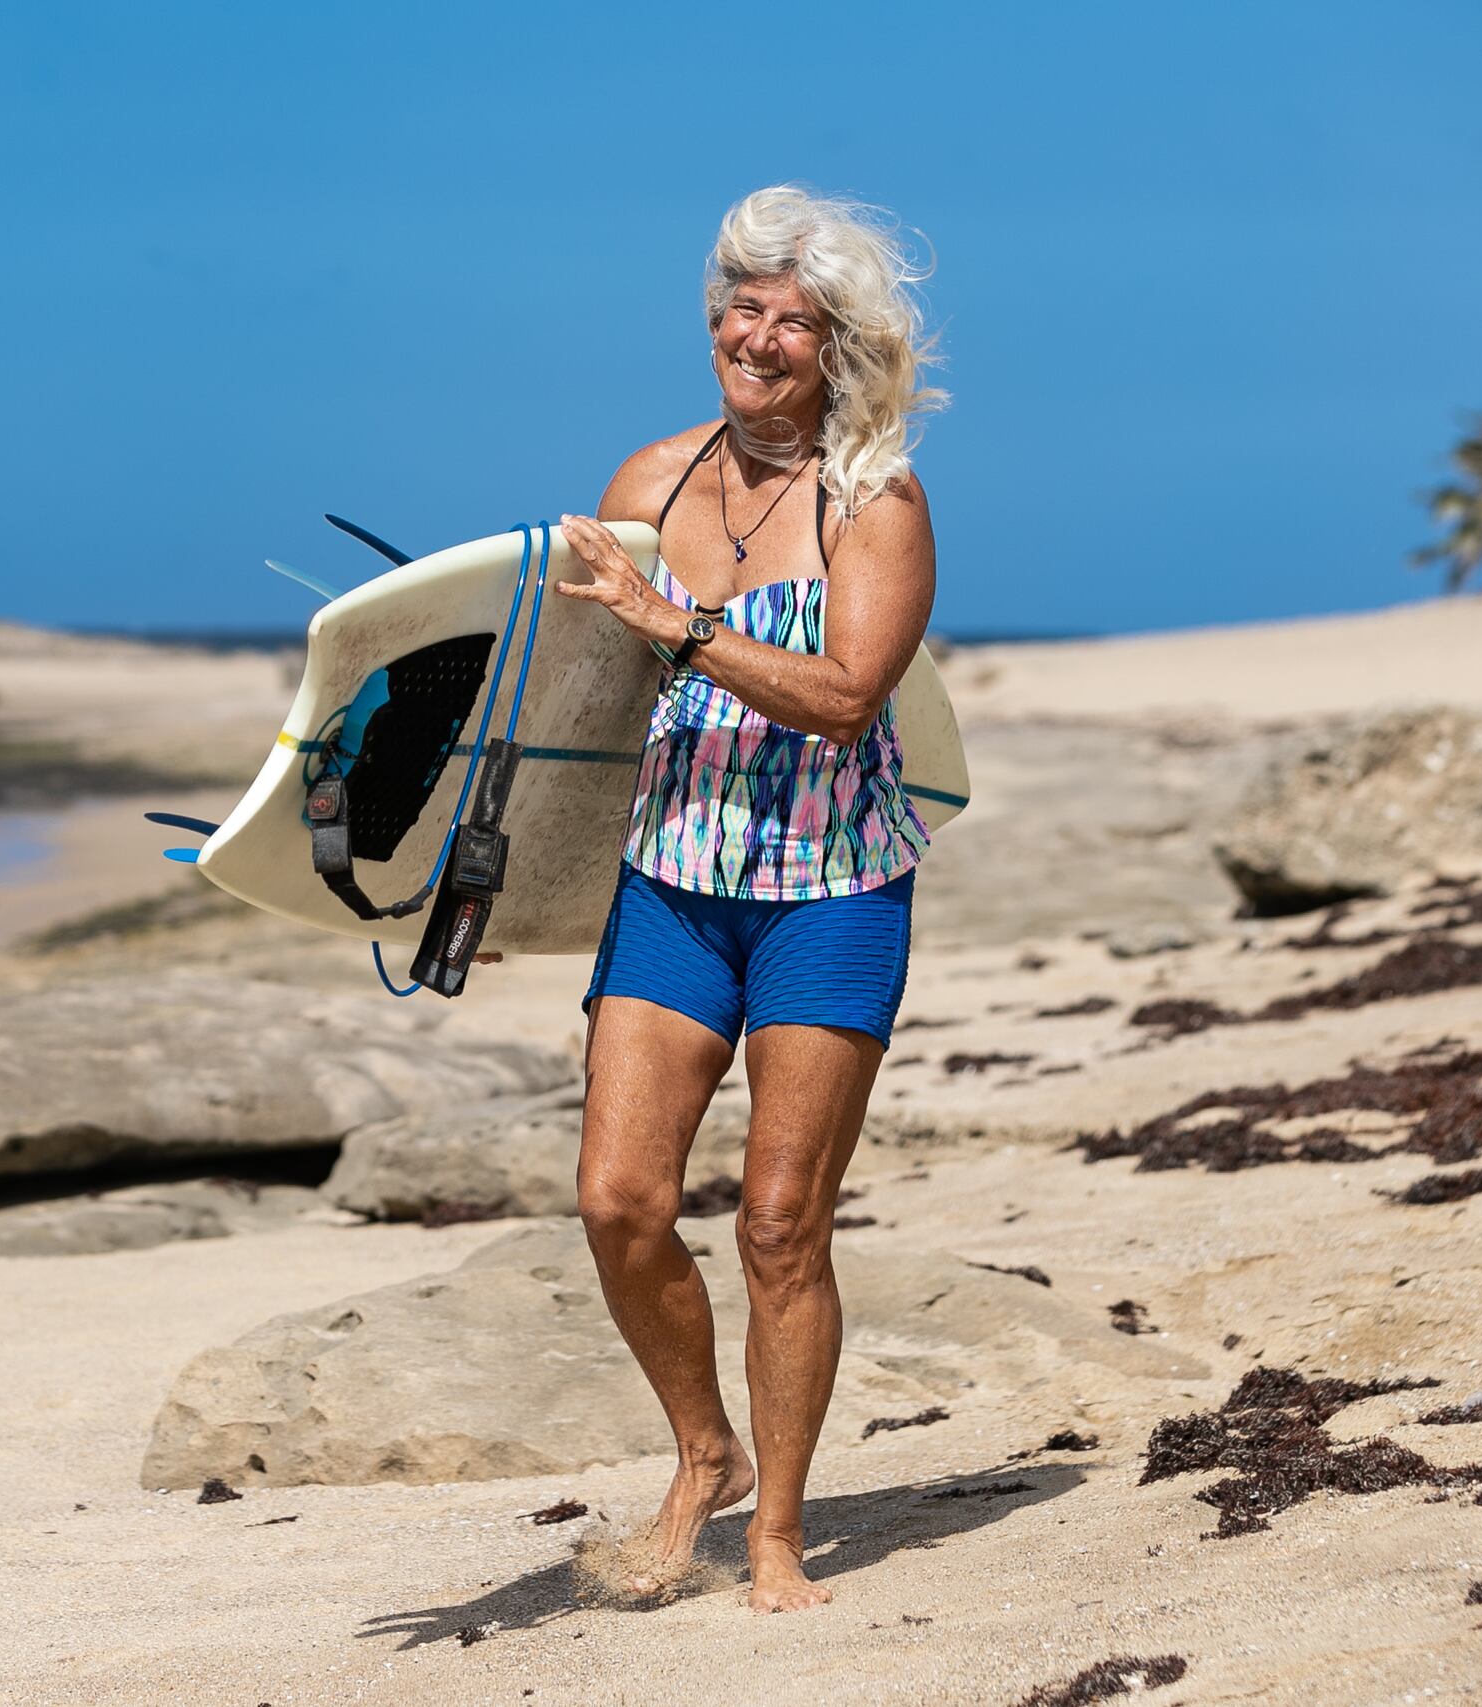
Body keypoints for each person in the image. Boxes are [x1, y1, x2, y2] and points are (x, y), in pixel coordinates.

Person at [548, 184, 944, 1612]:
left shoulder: (873, 501)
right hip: (673, 879)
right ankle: (700, 1450)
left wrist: (689, 631)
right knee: (618, 1203)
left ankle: (776, 1532)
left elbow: (845, 700)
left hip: (830, 891)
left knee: (781, 1224)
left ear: (838, 354)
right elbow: (584, 706)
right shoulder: (646, 483)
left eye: (799, 322)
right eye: (747, 307)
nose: (762, 339)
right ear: (713, 314)